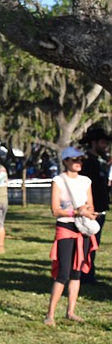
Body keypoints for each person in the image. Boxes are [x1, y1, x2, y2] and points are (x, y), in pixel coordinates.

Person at [45, 147, 99, 326]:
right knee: (63, 271)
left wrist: (87, 211)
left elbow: (90, 205)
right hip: (66, 227)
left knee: (77, 272)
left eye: (80, 160)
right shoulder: (58, 180)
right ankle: (50, 314)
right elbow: (55, 210)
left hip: (82, 228)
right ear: (65, 161)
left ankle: (71, 311)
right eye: (75, 160)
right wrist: (75, 212)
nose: (78, 163)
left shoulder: (86, 181)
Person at [78, 126, 111, 284]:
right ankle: (84, 274)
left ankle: (88, 272)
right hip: (90, 210)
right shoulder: (86, 162)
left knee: (94, 243)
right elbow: (84, 187)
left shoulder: (100, 161)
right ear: (93, 143)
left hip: (101, 209)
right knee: (87, 243)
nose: (105, 146)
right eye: (102, 142)